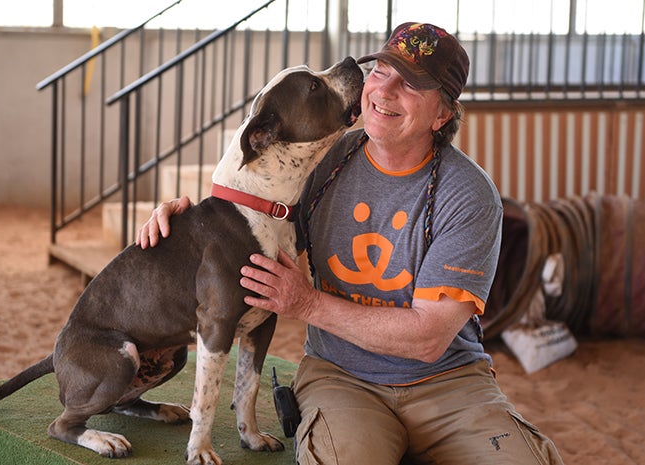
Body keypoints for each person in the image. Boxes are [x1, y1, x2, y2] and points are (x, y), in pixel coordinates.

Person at [137, 22, 564, 465]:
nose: (385, 90)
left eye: (413, 84)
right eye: (381, 70)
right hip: (341, 377)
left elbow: (427, 340)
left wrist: (306, 304)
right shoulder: (322, 164)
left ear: (442, 114)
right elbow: (249, 223)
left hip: (450, 382)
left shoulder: (469, 195)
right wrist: (187, 221)